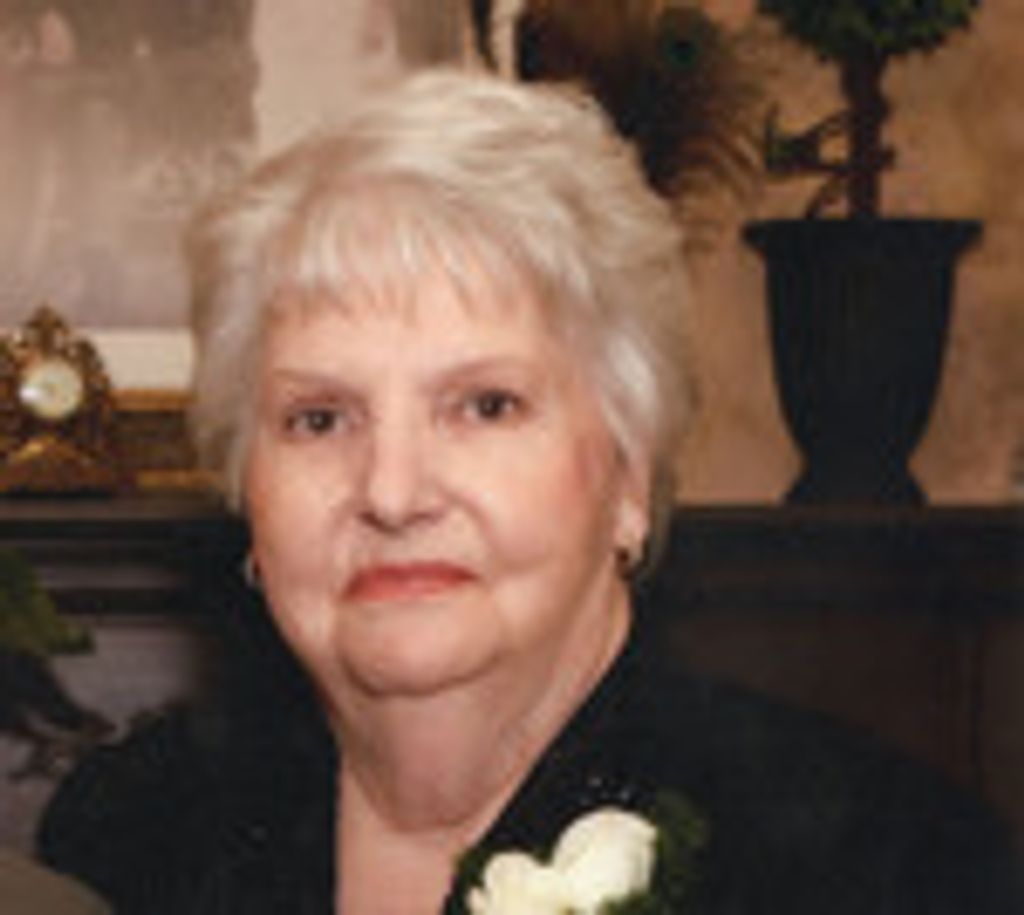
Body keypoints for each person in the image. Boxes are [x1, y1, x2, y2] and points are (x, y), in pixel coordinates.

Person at [36, 69, 1021, 915]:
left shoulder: (887, 866)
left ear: (628, 474)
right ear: (247, 494)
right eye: (320, 419)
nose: (392, 492)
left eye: (485, 406)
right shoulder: (130, 831)